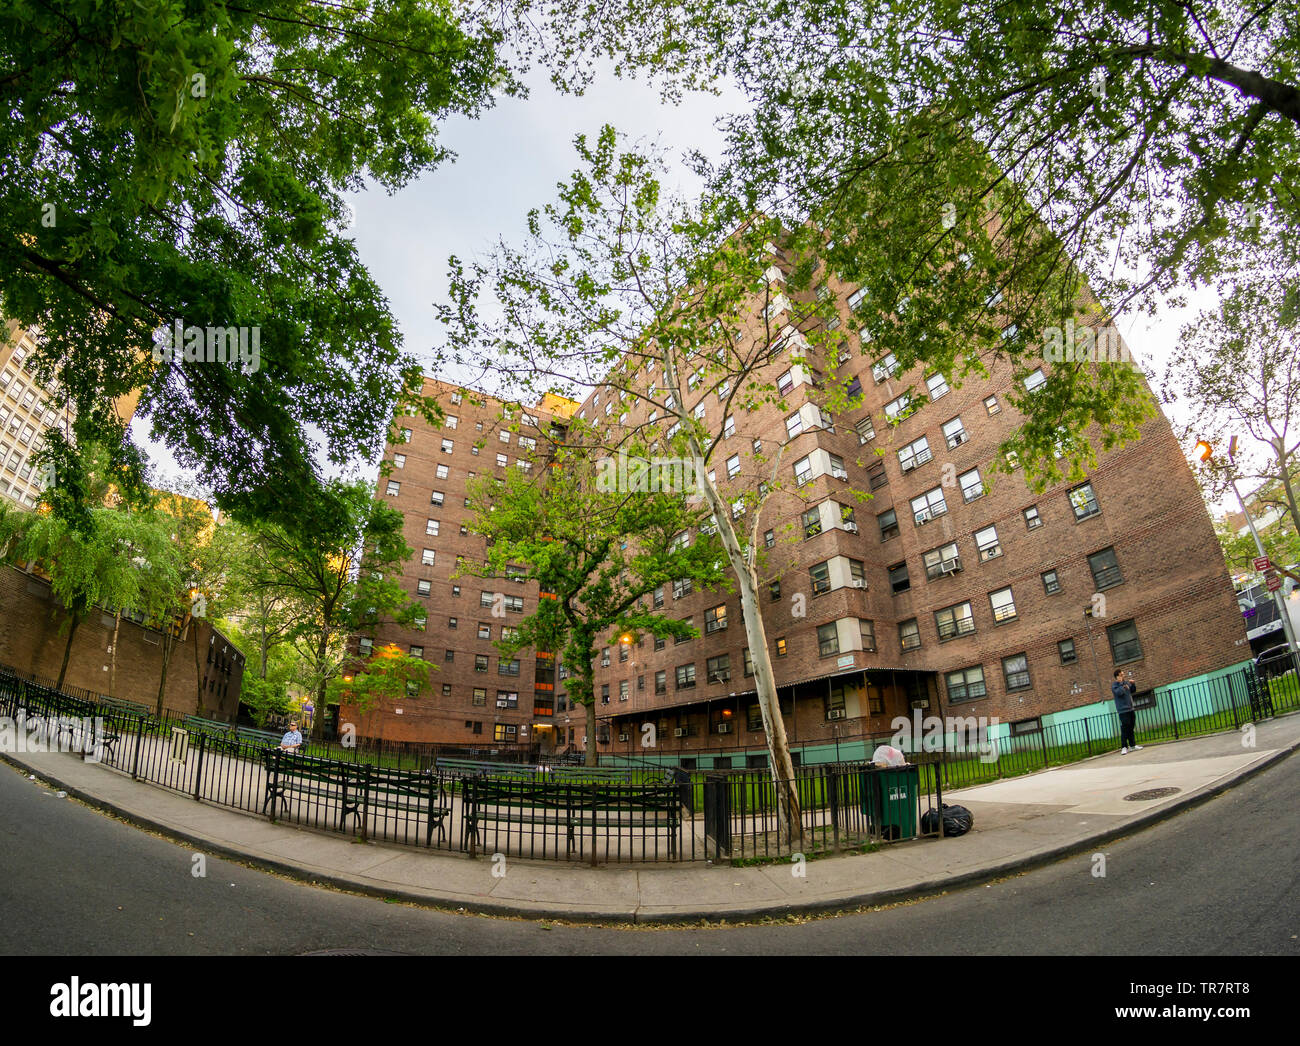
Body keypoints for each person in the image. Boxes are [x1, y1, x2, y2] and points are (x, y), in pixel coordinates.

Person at [1112, 669, 1142, 754]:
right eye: (1121, 675)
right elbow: (1119, 693)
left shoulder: (1126, 683)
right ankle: (1124, 747)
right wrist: (1122, 684)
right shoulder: (1114, 685)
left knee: (1131, 727)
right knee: (1125, 728)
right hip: (1123, 711)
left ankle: (1132, 745)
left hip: (1131, 708)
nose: (1123, 676)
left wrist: (1133, 684)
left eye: (1123, 674)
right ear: (1117, 676)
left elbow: (1133, 690)